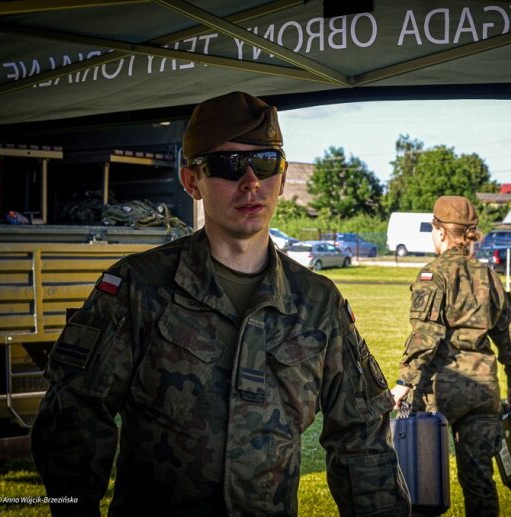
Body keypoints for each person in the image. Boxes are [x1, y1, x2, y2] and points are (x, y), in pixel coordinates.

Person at [31, 91, 410, 516]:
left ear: (282, 179)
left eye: (265, 164)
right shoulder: (140, 287)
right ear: (191, 181)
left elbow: (361, 437)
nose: (251, 182)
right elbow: (75, 418)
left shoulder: (318, 302)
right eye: (228, 165)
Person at [390, 196, 511, 517]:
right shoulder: (490, 277)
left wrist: (403, 383)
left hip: (442, 388)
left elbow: (426, 335)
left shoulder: (433, 275)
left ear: (439, 233)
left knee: (422, 484)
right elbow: (509, 338)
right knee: (479, 481)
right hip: (483, 389)